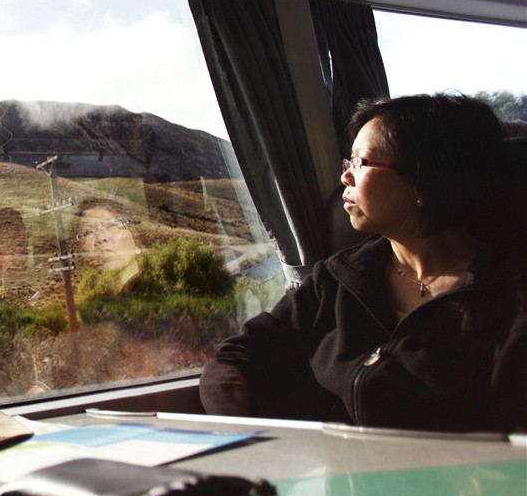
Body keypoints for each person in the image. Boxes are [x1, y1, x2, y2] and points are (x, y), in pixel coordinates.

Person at [200, 94, 526, 433]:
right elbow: (240, 356)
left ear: (423, 177)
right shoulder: (339, 280)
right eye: (348, 163)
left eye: (362, 161)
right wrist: (236, 420)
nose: (345, 177)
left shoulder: (511, 294)